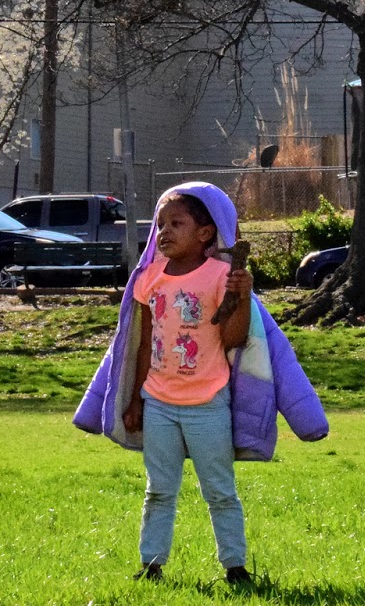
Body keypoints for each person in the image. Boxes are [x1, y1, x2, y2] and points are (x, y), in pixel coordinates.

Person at [73, 183, 329, 584]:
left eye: (177, 223)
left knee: (220, 491)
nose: (164, 233)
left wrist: (241, 299)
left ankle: (235, 567)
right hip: (158, 402)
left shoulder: (221, 277)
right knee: (159, 490)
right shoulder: (149, 280)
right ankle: (151, 565)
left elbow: (234, 339)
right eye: (160, 225)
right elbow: (141, 346)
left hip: (208, 405)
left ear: (206, 233)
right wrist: (137, 399)